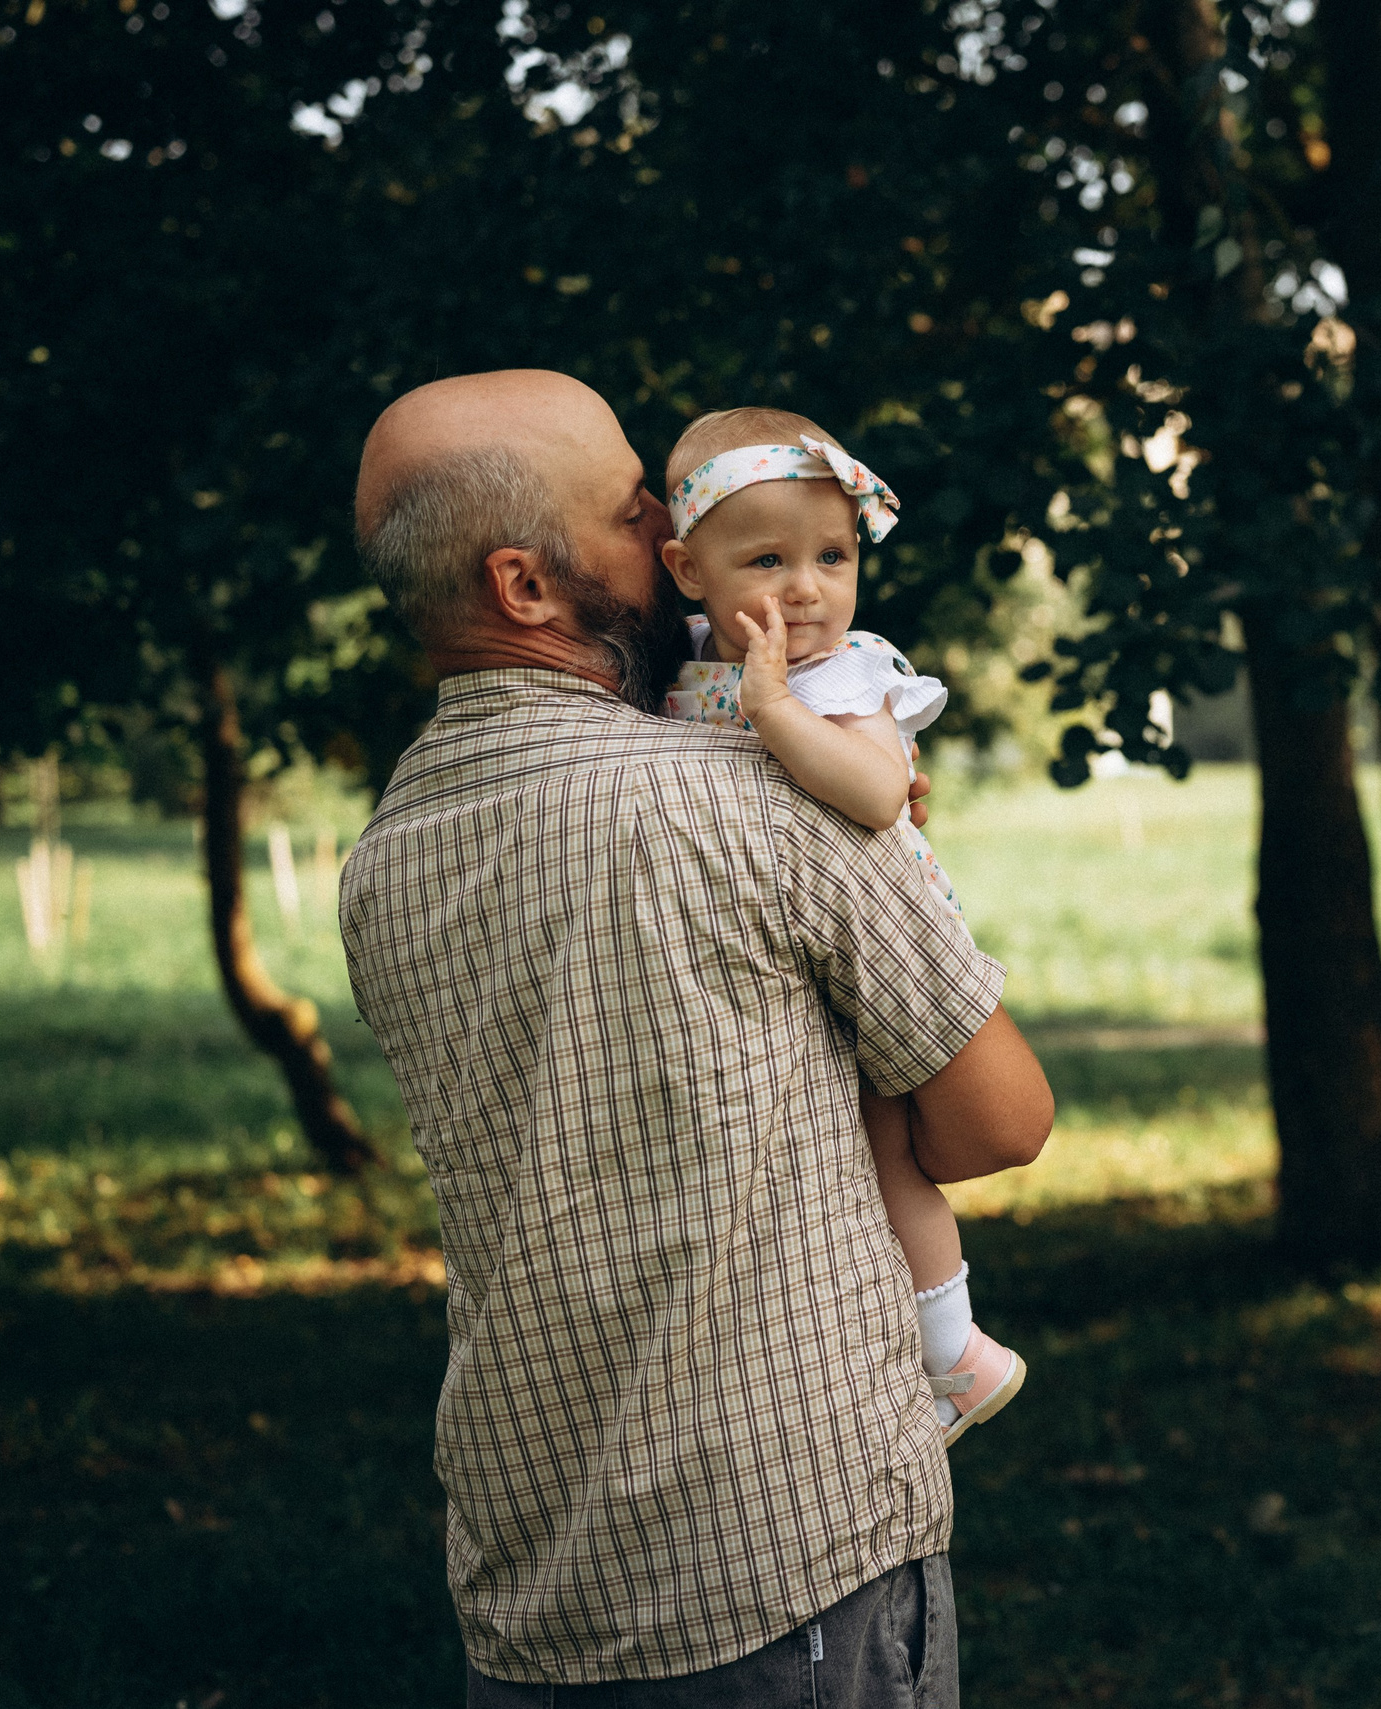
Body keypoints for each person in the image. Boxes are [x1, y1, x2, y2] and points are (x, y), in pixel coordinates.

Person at [341, 369, 1051, 1707]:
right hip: (788, 1561)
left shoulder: (384, 856)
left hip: (534, 1577)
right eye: (634, 517)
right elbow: (998, 1122)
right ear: (526, 588)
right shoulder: (751, 797)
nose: (680, 547)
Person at [655, 405, 1024, 1447]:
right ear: (689, 571)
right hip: (776, 955)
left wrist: (778, 711)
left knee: (884, 1150)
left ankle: (955, 1350)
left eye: (833, 554)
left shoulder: (835, 675)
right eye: (766, 558)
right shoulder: (683, 659)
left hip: (882, 954)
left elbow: (873, 788)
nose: (806, 587)